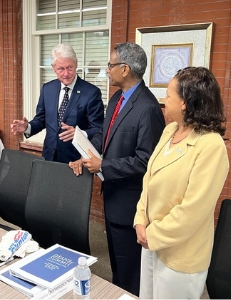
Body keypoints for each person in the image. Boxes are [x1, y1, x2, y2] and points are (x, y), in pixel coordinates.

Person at [70, 42, 165, 295]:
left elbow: (146, 161)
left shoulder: (148, 108)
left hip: (130, 203)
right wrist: (86, 154)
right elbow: (104, 134)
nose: (107, 70)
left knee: (131, 269)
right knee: (117, 264)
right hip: (113, 198)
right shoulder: (117, 97)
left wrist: (104, 165)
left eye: (110, 65)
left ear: (125, 69)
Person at [132, 67, 228, 298]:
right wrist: (140, 220)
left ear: (184, 103)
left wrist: (152, 235)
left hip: (180, 254)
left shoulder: (211, 146)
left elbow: (193, 210)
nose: (164, 100)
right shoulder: (170, 130)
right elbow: (149, 179)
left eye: (168, 94)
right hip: (151, 241)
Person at [10, 44, 104, 163]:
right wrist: (27, 127)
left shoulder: (91, 92)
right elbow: (41, 120)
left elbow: (99, 128)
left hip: (76, 160)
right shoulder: (47, 89)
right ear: (53, 68)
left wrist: (80, 134)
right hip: (49, 156)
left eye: (70, 67)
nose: (66, 73)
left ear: (76, 64)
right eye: (61, 69)